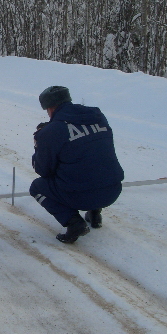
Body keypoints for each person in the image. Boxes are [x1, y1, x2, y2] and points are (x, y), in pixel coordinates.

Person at [30, 86, 124, 243]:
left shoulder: (51, 132)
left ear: (50, 108)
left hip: (81, 195)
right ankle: (95, 214)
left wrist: (39, 143)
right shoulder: (97, 116)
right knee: (91, 160)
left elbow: (43, 170)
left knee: (37, 187)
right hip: (113, 190)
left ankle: (74, 223)